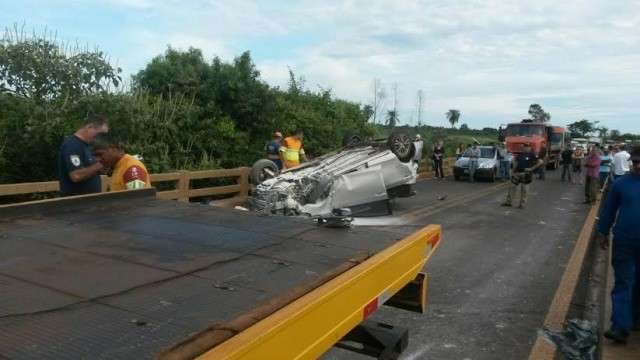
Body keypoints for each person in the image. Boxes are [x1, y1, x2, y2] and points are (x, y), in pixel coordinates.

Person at [596, 146, 640, 344]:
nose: (638, 165)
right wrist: (603, 232)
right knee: (623, 282)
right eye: (636, 162)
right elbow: (609, 210)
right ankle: (620, 326)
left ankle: (635, 318)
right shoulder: (621, 184)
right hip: (624, 241)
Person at [58, 114, 109, 196]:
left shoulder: (89, 146)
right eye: (101, 134)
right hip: (76, 203)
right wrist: (101, 164)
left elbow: (93, 169)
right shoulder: (72, 145)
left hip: (90, 202)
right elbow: (76, 175)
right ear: (90, 127)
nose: (101, 138)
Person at [501, 143, 541, 209]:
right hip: (517, 173)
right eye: (525, 146)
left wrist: (531, 169)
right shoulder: (520, 155)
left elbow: (540, 162)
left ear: (530, 148)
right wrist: (513, 172)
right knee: (512, 187)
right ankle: (508, 202)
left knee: (524, 190)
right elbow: (515, 163)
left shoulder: (532, 155)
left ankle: (522, 204)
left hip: (526, 174)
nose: (526, 148)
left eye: (527, 147)